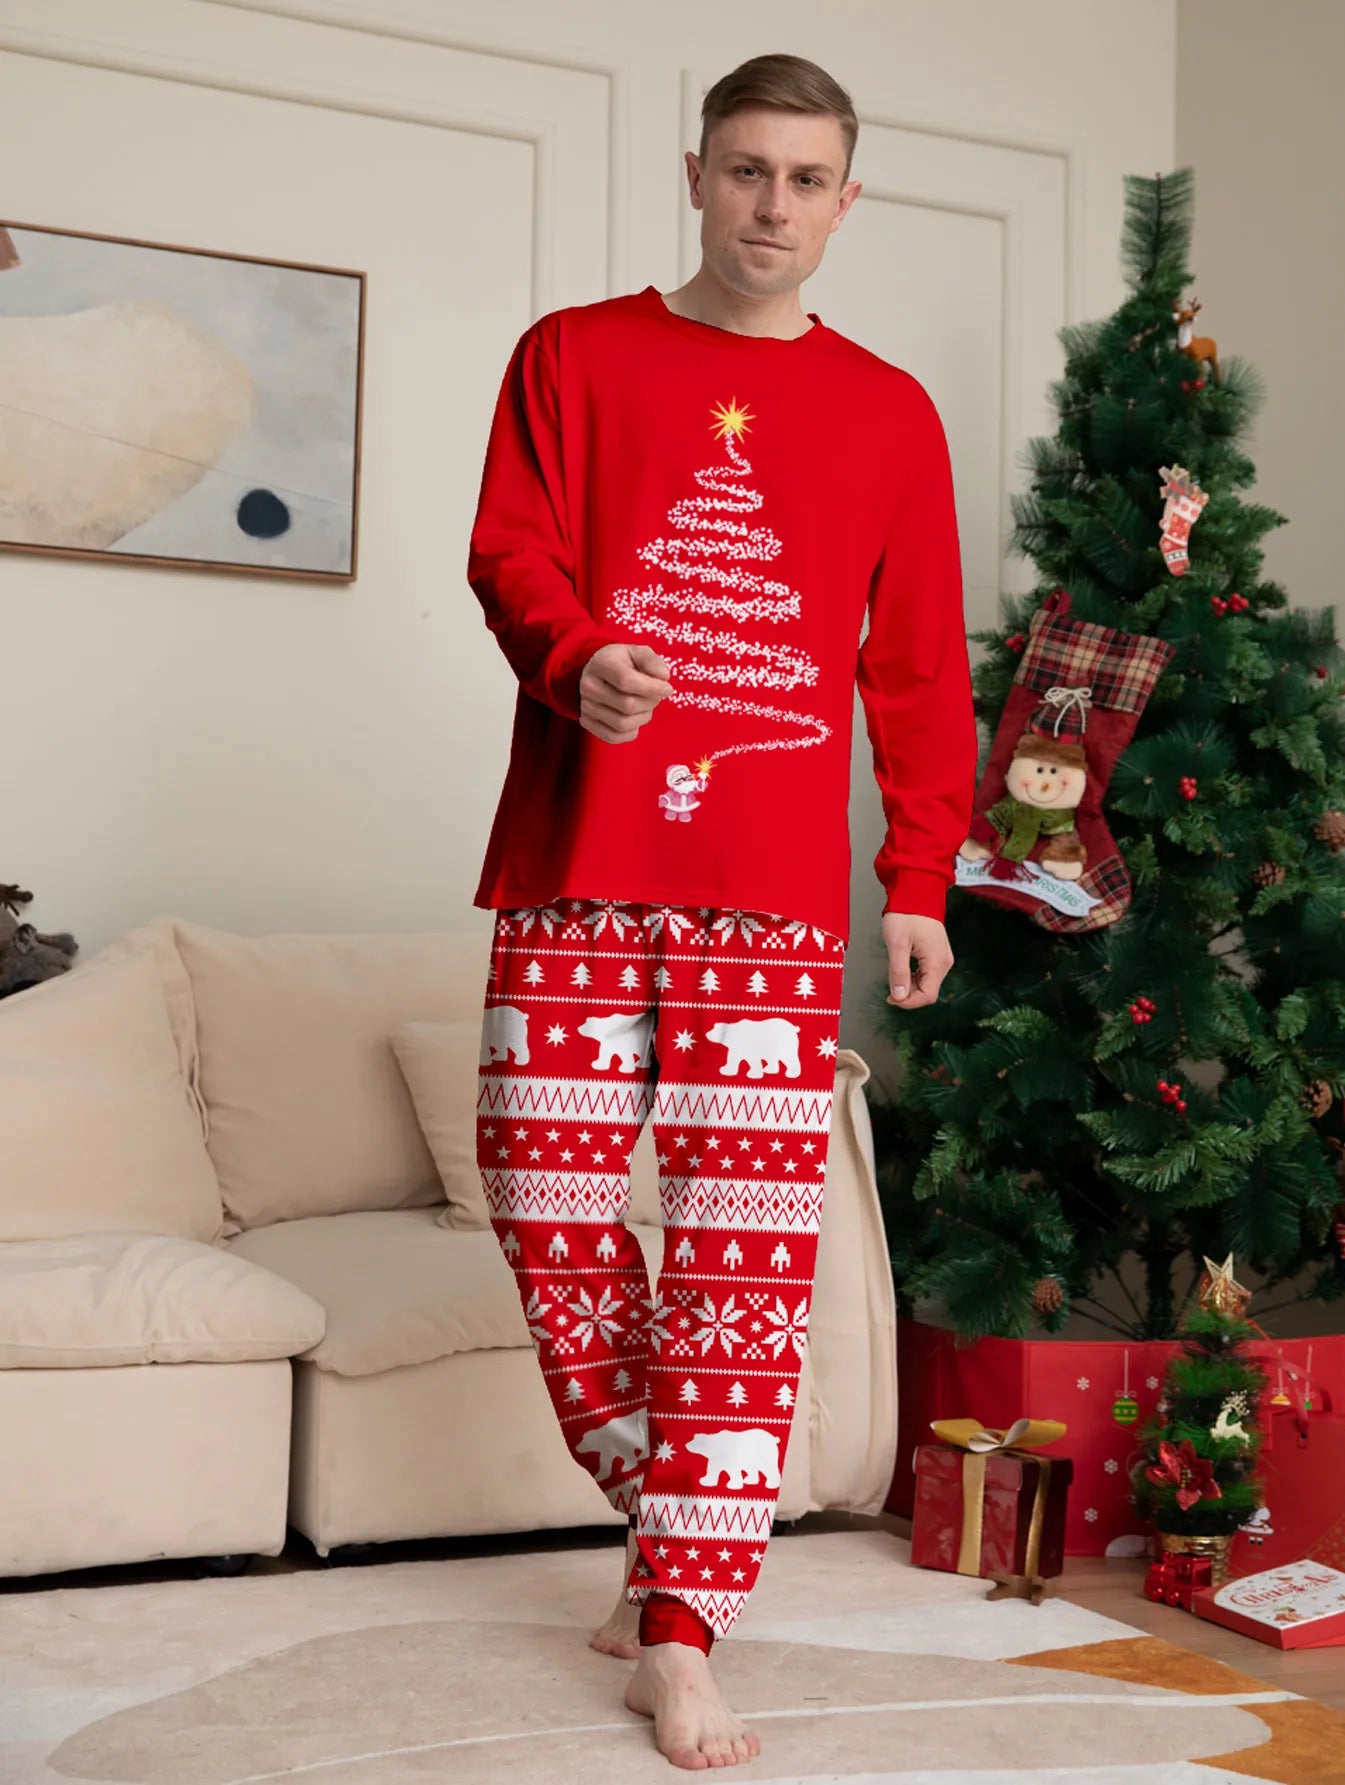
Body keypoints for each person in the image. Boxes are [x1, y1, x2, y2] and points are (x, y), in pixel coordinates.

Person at [466, 50, 979, 1772]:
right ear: (695, 176)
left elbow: (912, 670)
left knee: (743, 1275)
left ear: (848, 198)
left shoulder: (890, 411)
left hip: (768, 910)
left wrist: (917, 875)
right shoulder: (574, 357)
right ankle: (662, 1524)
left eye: (806, 178)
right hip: (575, 869)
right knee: (545, 1208)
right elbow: (509, 548)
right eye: (746, 170)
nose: (773, 206)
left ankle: (682, 1628)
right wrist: (578, 655)